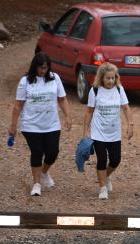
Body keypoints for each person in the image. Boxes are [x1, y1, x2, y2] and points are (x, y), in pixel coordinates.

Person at [8, 52, 72, 196]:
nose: (43, 71)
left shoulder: (55, 79)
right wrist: (13, 125)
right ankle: (36, 184)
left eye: (46, 68)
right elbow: (18, 105)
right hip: (31, 125)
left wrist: (68, 116)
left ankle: (44, 172)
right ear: (35, 67)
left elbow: (62, 99)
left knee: (52, 152)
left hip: (52, 124)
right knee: (37, 152)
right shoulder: (25, 81)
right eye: (41, 68)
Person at [82, 62, 133, 200]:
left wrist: (130, 125)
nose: (111, 81)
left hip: (114, 132)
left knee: (116, 160)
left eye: (113, 78)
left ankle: (105, 176)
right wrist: (85, 130)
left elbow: (126, 108)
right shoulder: (95, 90)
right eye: (108, 78)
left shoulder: (119, 89)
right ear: (101, 78)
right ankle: (102, 188)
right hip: (98, 132)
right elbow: (89, 111)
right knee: (102, 159)